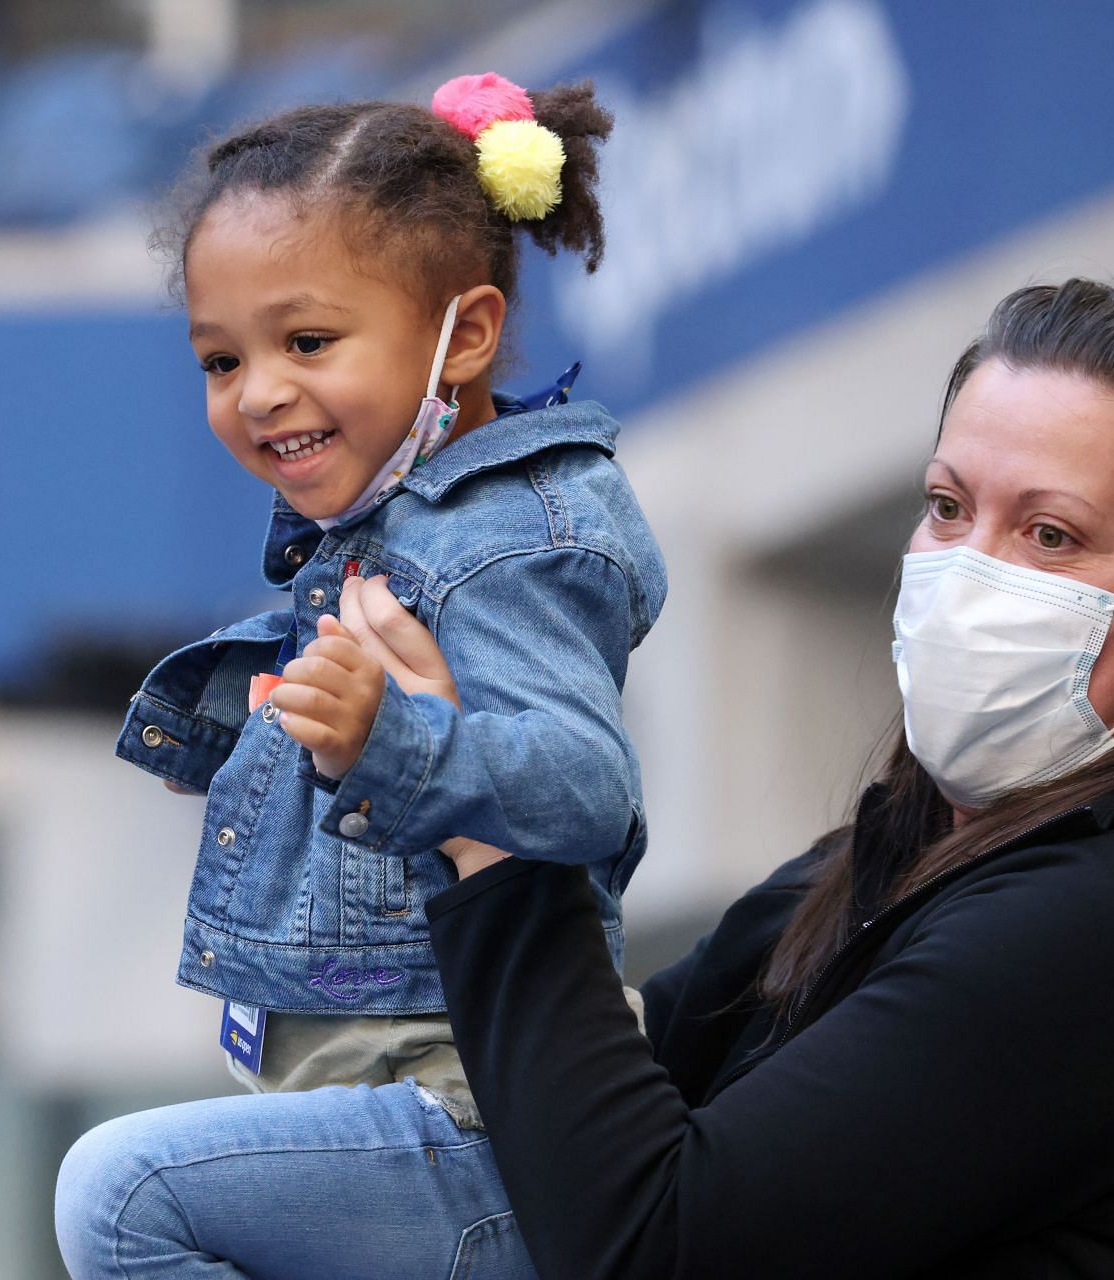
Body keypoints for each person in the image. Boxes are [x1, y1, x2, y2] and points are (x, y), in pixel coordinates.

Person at [406, 280, 1114, 1278]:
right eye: (948, 506)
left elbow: (657, 1242)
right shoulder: (881, 862)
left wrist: (495, 813)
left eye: (1050, 534)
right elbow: (572, 1129)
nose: (966, 571)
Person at [56, 75, 664, 1278]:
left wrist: (395, 739)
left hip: (473, 1122)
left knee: (119, 1195)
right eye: (220, 360)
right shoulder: (379, 539)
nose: (260, 391)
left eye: (308, 341)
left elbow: (586, 787)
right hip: (385, 1106)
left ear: (468, 334)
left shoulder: (507, 539)